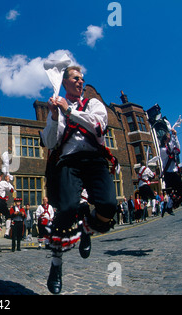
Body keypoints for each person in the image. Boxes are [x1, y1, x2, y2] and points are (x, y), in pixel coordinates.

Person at [41, 66, 118, 294]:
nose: (80, 82)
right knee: (66, 209)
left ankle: (86, 228)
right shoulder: (58, 107)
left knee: (108, 206)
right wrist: (55, 117)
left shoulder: (93, 104)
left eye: (82, 78)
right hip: (69, 161)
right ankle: (56, 265)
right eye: (75, 78)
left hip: (94, 158)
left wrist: (70, 112)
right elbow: (49, 142)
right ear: (65, 82)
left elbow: (98, 127)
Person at [160, 129, 182, 208]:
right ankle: (169, 206)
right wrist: (173, 137)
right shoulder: (162, 149)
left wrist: (175, 136)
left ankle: (173, 204)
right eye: (168, 136)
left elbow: (177, 148)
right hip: (168, 173)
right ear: (165, 139)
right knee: (171, 191)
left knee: (180, 189)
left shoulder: (170, 145)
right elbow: (169, 152)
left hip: (174, 171)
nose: (169, 137)